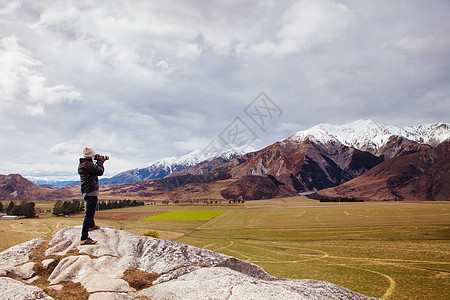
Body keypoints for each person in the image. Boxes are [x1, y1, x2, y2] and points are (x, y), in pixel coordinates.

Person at [78, 147, 107, 245]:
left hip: (86, 190)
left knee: (91, 210)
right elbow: (100, 171)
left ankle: (91, 225)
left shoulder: (83, 164)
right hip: (91, 191)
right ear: (91, 156)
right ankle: (84, 237)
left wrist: (98, 161)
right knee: (89, 213)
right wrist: (100, 162)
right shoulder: (88, 165)